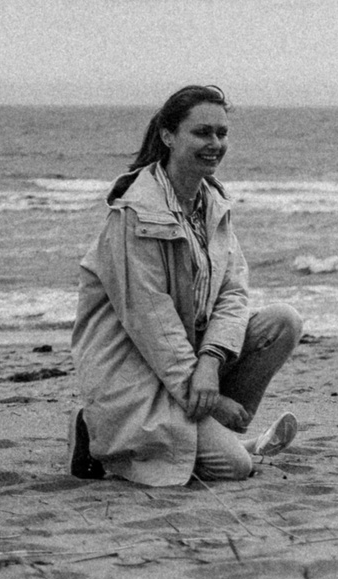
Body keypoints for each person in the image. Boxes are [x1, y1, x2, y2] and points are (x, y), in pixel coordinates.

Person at [69, 84, 302, 486]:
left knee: (284, 322)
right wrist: (210, 397)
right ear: (168, 136)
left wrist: (211, 360)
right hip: (133, 367)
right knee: (234, 469)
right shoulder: (136, 214)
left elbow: (232, 291)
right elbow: (151, 321)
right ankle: (93, 429)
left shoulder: (211, 202)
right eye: (202, 133)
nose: (215, 143)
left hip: (187, 360)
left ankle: (214, 431)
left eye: (221, 133)